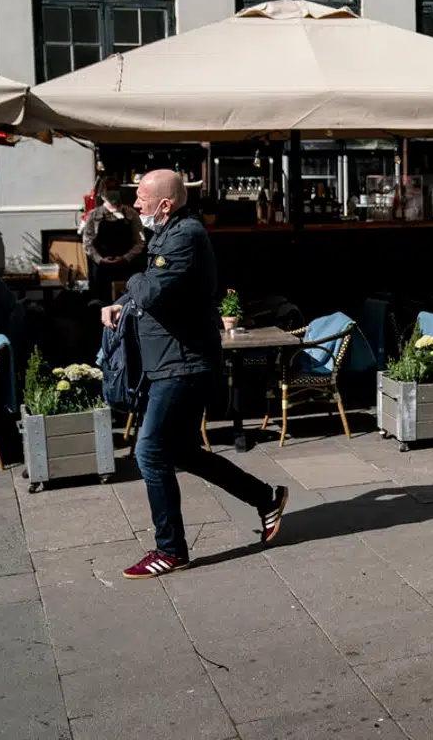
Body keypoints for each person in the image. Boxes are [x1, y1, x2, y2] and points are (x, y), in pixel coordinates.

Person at [101, 170, 288, 580]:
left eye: (142, 197)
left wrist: (130, 278)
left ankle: (170, 550)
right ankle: (266, 498)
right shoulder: (166, 233)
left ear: (165, 204)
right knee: (182, 452)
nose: (136, 204)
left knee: (149, 452)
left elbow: (151, 291)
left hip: (182, 365)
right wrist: (122, 301)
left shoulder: (184, 236)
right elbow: (151, 288)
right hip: (170, 362)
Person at [82, 180, 146, 303]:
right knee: (101, 301)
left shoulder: (131, 214)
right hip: (101, 268)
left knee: (125, 302)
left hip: (125, 267)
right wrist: (100, 259)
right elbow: (87, 243)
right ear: (102, 193)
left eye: (114, 189)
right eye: (109, 190)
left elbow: (140, 242)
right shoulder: (94, 215)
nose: (112, 193)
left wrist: (126, 258)